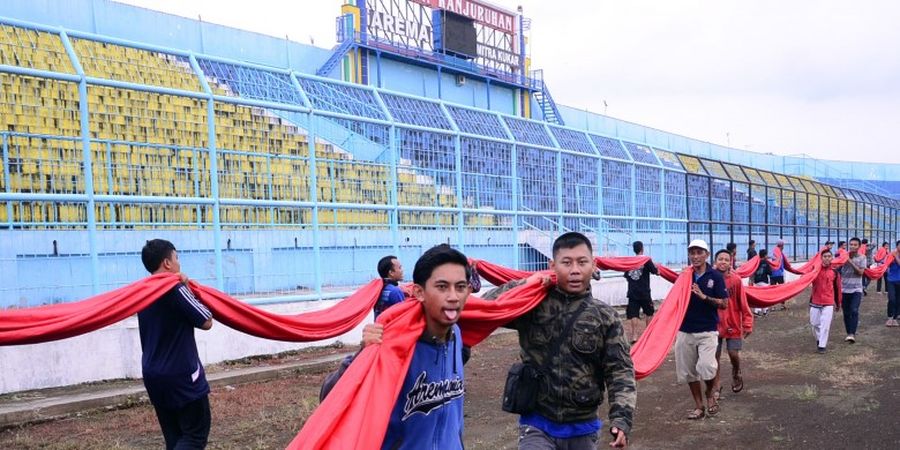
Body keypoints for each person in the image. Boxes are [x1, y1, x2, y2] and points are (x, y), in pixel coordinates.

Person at [484, 232, 635, 448]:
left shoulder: (605, 316)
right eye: (566, 262)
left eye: (582, 262)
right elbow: (489, 306)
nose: (575, 270)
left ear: (593, 266)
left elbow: (620, 370)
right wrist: (527, 284)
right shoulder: (532, 305)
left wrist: (622, 419)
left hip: (583, 428)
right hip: (536, 424)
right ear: (552, 265)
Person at [321, 244, 473, 449]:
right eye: (442, 287)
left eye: (460, 287)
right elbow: (330, 397)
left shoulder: (456, 335)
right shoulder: (396, 346)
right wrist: (363, 355)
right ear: (419, 292)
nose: (453, 296)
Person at [139, 239, 214, 450]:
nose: (179, 264)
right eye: (177, 258)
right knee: (194, 436)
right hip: (182, 377)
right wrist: (187, 287)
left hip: (154, 377)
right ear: (167, 263)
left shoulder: (142, 293)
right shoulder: (174, 288)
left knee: (174, 439)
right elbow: (206, 320)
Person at [675, 239, 728, 420]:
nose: (695, 256)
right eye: (692, 253)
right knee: (689, 372)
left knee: (707, 366)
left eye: (699, 252)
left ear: (707, 254)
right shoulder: (685, 276)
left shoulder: (716, 276)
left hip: (707, 331)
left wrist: (704, 297)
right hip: (685, 330)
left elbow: (724, 304)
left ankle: (710, 395)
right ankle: (699, 407)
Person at [711, 249, 752, 402]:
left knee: (733, 353)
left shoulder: (736, 280)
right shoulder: (710, 279)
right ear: (715, 261)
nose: (723, 262)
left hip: (733, 323)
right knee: (714, 357)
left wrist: (747, 323)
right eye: (720, 259)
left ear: (731, 262)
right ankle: (716, 386)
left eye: (726, 259)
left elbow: (743, 303)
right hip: (713, 324)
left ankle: (736, 371)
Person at [624, 240, 658, 344]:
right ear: (642, 248)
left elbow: (626, 275)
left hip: (632, 292)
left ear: (634, 249)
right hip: (644, 292)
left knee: (634, 314)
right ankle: (648, 335)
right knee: (649, 312)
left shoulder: (630, 261)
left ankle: (634, 336)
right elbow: (655, 271)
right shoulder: (646, 260)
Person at [809, 249, 842, 353]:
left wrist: (838, 303)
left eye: (829, 256)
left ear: (832, 258)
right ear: (821, 258)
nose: (827, 258)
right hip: (815, 301)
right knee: (814, 324)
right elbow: (805, 279)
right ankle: (819, 339)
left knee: (825, 325)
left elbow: (838, 288)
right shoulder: (815, 270)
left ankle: (822, 346)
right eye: (825, 256)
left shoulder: (835, 272)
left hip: (828, 302)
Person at [840, 238, 867, 343]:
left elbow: (860, 272)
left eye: (855, 245)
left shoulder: (862, 257)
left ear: (859, 246)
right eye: (851, 244)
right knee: (846, 312)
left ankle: (852, 333)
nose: (852, 246)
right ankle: (849, 332)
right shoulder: (843, 257)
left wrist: (850, 261)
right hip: (844, 289)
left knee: (854, 310)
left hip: (856, 289)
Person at [752, 249, 772, 317]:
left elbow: (752, 271)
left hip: (756, 281)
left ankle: (756, 311)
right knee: (764, 297)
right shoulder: (766, 263)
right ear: (765, 255)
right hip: (764, 282)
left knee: (757, 297)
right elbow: (770, 273)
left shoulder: (756, 262)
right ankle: (765, 311)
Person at [885, 241, 900, 327]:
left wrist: (896, 257)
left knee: (898, 300)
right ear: (897, 246)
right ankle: (890, 317)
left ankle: (894, 318)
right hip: (891, 280)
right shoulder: (891, 255)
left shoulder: (895, 255)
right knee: (892, 299)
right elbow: (886, 264)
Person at [769, 240, 787, 310]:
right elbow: (781, 265)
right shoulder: (780, 254)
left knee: (772, 291)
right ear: (782, 246)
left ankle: (772, 306)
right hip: (779, 274)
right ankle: (782, 305)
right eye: (783, 246)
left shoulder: (774, 252)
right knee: (782, 290)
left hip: (772, 274)